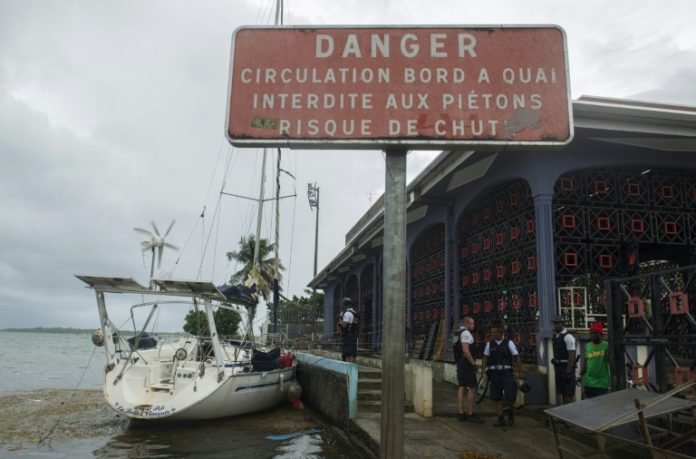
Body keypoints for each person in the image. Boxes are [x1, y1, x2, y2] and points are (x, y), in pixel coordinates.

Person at [482, 323, 525, 427]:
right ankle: (500, 417)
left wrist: (520, 372)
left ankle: (510, 413)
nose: (492, 334)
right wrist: (483, 369)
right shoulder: (490, 344)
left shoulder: (509, 343)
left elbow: (517, 357)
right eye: (491, 332)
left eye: (494, 332)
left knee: (510, 394)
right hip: (495, 373)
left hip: (506, 372)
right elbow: (485, 356)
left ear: (500, 333)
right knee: (496, 396)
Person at [454, 316, 484, 423]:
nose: (473, 325)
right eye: (472, 323)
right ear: (466, 323)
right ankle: (470, 413)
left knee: (461, 387)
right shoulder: (466, 333)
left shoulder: (457, 333)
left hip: (460, 364)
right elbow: (466, 350)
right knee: (472, 388)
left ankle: (461, 413)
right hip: (467, 364)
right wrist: (473, 363)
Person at [577, 322, 611, 398]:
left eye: (595, 333)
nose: (592, 335)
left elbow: (608, 359)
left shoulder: (607, 345)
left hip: (602, 384)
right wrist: (580, 375)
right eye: (591, 333)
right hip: (589, 383)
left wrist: (610, 348)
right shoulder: (588, 346)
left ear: (601, 334)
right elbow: (585, 363)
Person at [551, 314, 577, 404]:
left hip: (566, 367)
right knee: (562, 392)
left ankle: (572, 415)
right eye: (554, 323)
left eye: (557, 323)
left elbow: (571, 355)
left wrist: (568, 371)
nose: (555, 325)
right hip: (558, 367)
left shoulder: (568, 337)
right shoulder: (555, 336)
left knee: (569, 393)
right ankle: (564, 414)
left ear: (562, 324)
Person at [337, 297, 359, 363]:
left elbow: (344, 325)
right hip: (354, 335)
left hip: (348, 336)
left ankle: (349, 370)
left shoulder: (346, 313)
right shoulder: (355, 313)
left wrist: (339, 322)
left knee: (348, 352)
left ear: (344, 305)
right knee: (352, 352)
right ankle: (352, 370)